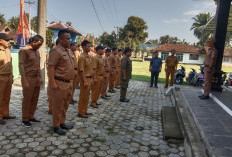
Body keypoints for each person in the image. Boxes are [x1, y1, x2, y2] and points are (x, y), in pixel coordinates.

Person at [48, 30, 74, 135]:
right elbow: (51, 67)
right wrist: (52, 83)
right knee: (58, 106)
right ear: (61, 39)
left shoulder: (67, 50)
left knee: (65, 104)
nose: (70, 40)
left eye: (70, 38)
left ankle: (62, 122)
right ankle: (56, 126)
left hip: (68, 83)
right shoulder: (56, 51)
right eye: (67, 38)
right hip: (59, 82)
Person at [19, 35, 44, 127]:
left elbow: (38, 66)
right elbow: (21, 65)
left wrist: (40, 78)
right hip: (28, 77)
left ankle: (31, 116)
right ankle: (25, 119)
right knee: (27, 99)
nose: (40, 46)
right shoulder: (24, 51)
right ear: (33, 41)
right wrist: (24, 80)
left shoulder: (36, 51)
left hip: (36, 78)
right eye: (39, 44)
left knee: (35, 98)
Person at [0, 33, 16, 125]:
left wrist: (12, 76)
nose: (8, 42)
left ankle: (5, 114)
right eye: (6, 40)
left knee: (6, 97)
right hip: (1, 76)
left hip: (8, 76)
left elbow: (10, 64)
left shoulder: (7, 50)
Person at [78, 40, 93, 118]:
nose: (90, 47)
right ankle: (81, 112)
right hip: (85, 78)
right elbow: (81, 70)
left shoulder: (88, 56)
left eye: (90, 46)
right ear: (83, 47)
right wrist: (84, 81)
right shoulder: (82, 57)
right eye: (88, 46)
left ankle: (85, 110)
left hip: (89, 78)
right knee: (83, 96)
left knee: (87, 96)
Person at [47, 42, 56, 114]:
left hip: (56, 74)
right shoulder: (49, 54)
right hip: (51, 73)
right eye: (54, 46)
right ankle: (51, 108)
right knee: (51, 91)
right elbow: (48, 65)